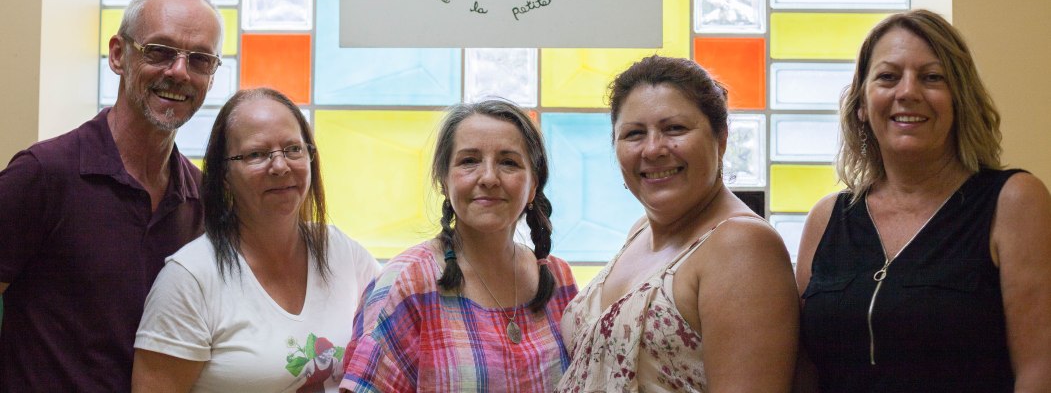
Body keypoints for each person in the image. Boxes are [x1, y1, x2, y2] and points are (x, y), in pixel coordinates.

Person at [795, 9, 1051, 392]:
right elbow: (803, 372)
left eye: (932, 78)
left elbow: (1039, 371)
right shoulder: (827, 218)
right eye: (888, 77)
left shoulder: (1014, 201)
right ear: (862, 104)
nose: (908, 92)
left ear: (960, 99)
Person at [0, 0, 223, 391]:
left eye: (200, 60)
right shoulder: (43, 175)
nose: (179, 72)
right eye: (159, 51)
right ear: (119, 55)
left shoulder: (203, 200)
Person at [555, 55, 799, 393]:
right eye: (634, 134)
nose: (653, 149)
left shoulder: (741, 245)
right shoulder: (640, 231)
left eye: (675, 129)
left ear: (721, 138)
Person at [132, 87, 380, 392]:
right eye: (256, 154)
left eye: (293, 149)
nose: (280, 166)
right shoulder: (189, 279)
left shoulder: (342, 253)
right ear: (224, 175)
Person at [340, 99, 579, 392]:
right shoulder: (408, 282)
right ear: (443, 180)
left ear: (533, 186)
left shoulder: (558, 279)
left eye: (508, 162)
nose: (489, 177)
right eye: (469, 161)